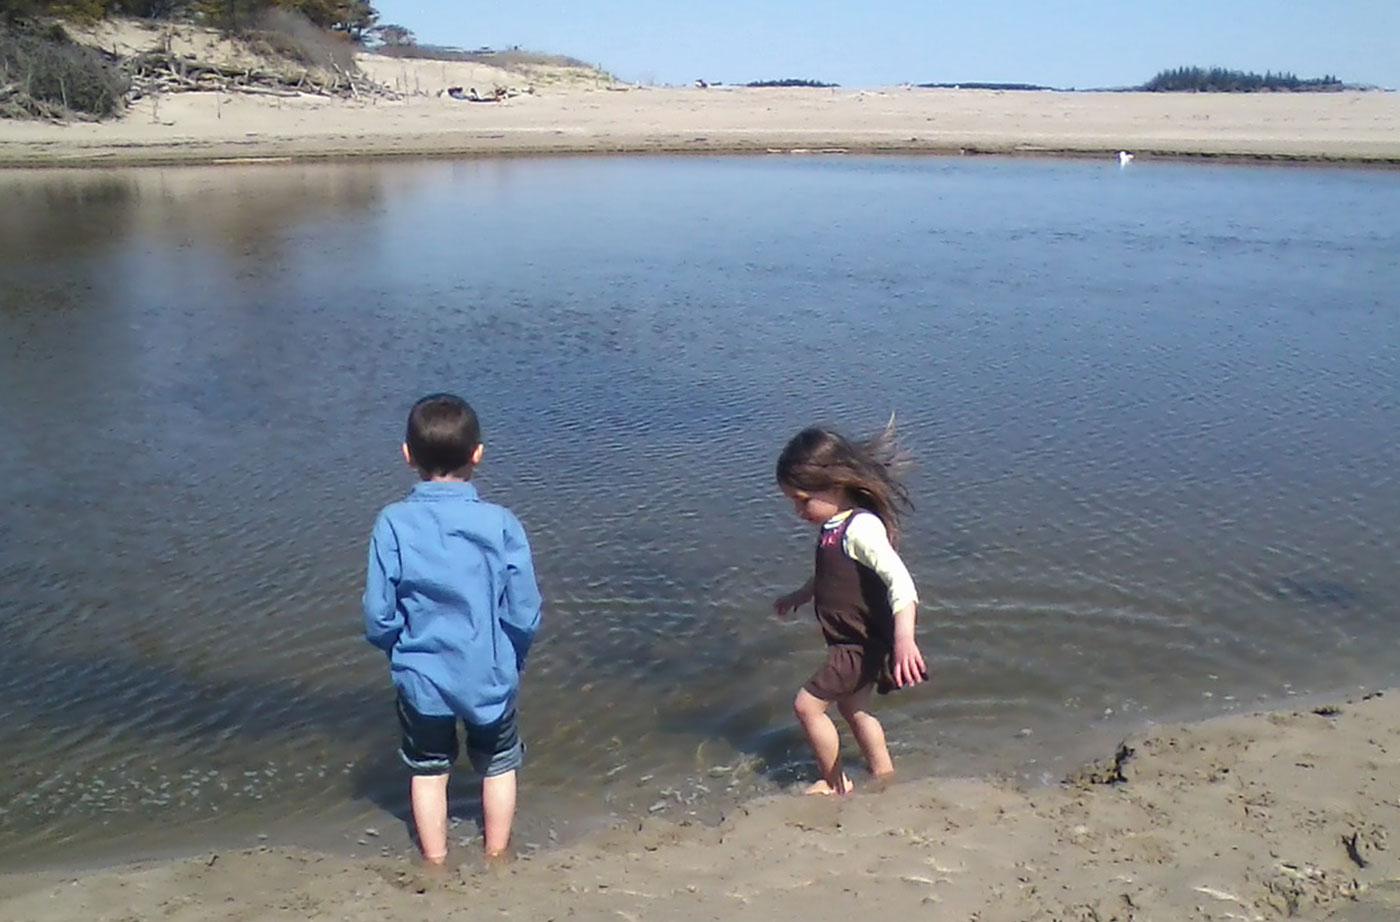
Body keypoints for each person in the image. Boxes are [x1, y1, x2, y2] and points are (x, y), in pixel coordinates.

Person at [363, 393, 542, 863]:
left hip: (422, 674)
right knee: (500, 764)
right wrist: (513, 655)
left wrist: (397, 652)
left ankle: (436, 861)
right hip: (489, 669)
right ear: (478, 454)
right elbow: (524, 610)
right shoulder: (500, 524)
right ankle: (497, 855)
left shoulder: (392, 524)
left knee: (427, 770)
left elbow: (378, 614)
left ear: (407, 456)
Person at [772, 422, 927, 795]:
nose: (798, 510)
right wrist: (801, 594)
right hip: (855, 642)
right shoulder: (835, 526)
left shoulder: (861, 529)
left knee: (807, 707)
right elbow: (833, 575)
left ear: (837, 485)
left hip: (856, 646)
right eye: (793, 501)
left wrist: (905, 639)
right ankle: (884, 775)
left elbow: (901, 582)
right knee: (853, 710)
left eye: (803, 499)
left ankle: (835, 783)